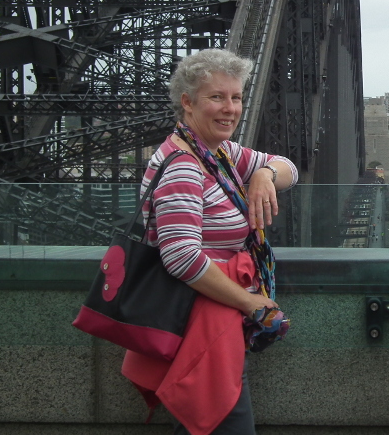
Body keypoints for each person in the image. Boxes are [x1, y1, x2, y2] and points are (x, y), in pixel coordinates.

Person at [121, 48, 298, 435]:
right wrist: (251, 303)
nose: (230, 108)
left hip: (211, 318)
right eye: (217, 97)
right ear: (187, 102)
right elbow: (181, 258)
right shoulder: (184, 166)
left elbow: (290, 168)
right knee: (225, 423)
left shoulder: (217, 152)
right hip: (200, 325)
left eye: (236, 97)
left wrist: (265, 174)